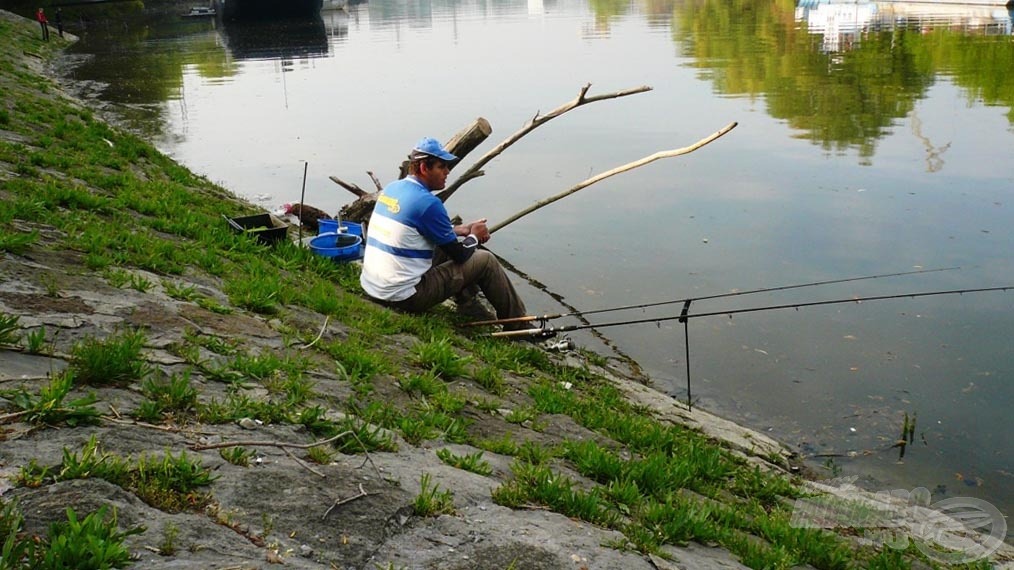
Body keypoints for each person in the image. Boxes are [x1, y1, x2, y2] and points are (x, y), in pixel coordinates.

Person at [360, 137, 534, 332]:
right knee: (485, 260)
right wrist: (474, 236)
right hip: (404, 298)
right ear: (424, 168)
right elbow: (459, 254)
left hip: (373, 287)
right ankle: (519, 326)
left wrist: (460, 230)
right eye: (442, 167)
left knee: (449, 246)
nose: (447, 172)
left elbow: (415, 231)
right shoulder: (428, 204)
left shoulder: (393, 188)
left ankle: (468, 305)